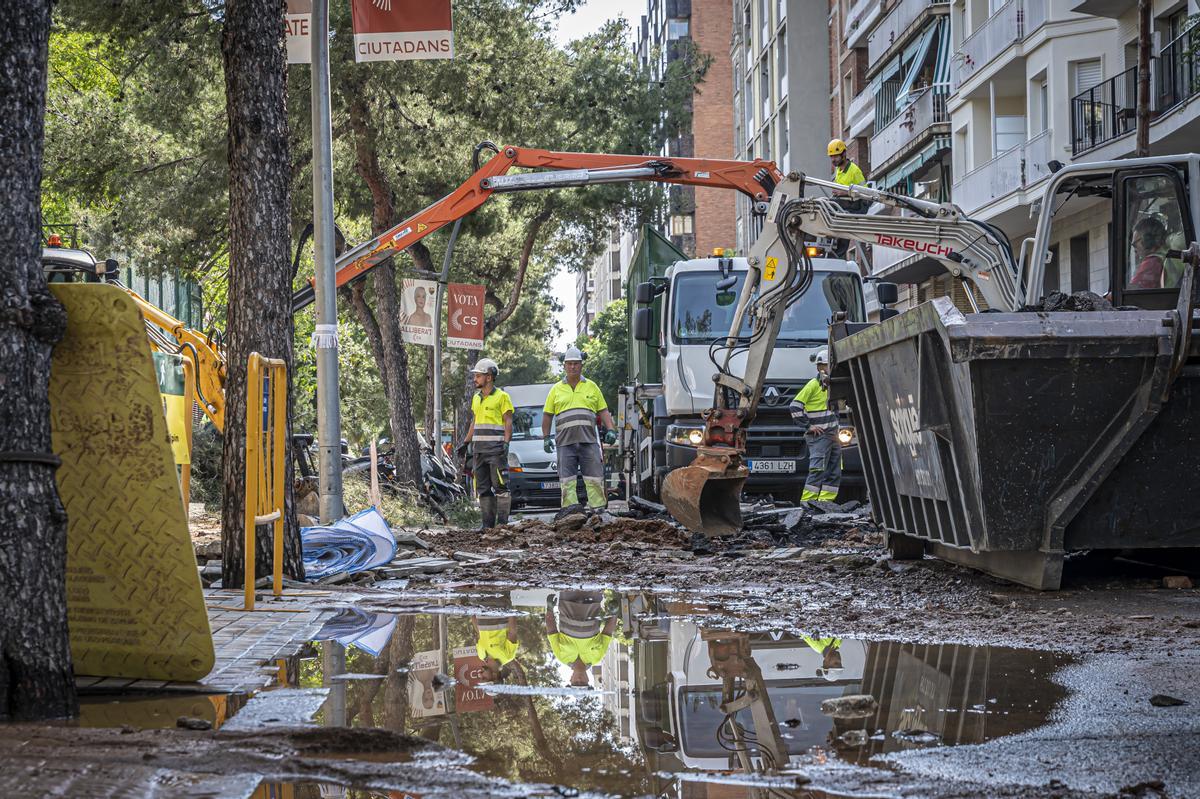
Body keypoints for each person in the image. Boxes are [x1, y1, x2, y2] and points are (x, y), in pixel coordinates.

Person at [541, 347, 617, 509]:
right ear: (564, 366)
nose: (573, 367)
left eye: (576, 363)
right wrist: (546, 438)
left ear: (581, 365)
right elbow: (547, 415)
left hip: (588, 441)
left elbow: (603, 410)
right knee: (567, 481)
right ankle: (570, 513)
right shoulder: (556, 390)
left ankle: (598, 512)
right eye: (569, 364)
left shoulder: (592, 387)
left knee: (594, 479)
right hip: (565, 443)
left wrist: (611, 429)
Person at [465, 357, 513, 529]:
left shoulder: (502, 397)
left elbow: (508, 421)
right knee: (483, 489)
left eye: (478, 376)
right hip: (479, 451)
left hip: (496, 450)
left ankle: (502, 525)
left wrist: (506, 443)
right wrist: (466, 442)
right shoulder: (476, 398)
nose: (475, 379)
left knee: (501, 487)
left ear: (489, 377)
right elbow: (475, 421)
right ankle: (487, 526)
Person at [789, 349, 841, 502]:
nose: (826, 368)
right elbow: (795, 406)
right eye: (824, 365)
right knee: (817, 469)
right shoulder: (813, 385)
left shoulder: (832, 386)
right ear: (819, 368)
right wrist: (808, 426)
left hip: (833, 435)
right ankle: (808, 504)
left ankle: (825, 504)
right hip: (819, 436)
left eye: (828, 365)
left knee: (834, 471)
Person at [545, 590, 617, 687]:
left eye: (576, 682)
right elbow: (607, 632)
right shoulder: (597, 658)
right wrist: (614, 613)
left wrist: (549, 609)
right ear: (588, 679)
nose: (579, 680)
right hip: (593, 601)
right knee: (595, 577)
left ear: (571, 679)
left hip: (568, 601)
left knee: (569, 577)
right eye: (583, 683)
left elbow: (551, 631)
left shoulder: (562, 657)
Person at [828, 139, 869, 258]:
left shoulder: (854, 171)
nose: (833, 160)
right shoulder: (839, 170)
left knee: (832, 205)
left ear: (844, 154)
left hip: (857, 205)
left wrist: (843, 193)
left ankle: (837, 252)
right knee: (826, 204)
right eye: (831, 157)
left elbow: (865, 193)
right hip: (845, 204)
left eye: (835, 156)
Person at [1129, 216, 1174, 289]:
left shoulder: (1152, 262)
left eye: (1135, 245)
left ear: (1148, 240)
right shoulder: (1168, 256)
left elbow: (1133, 292)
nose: (1135, 250)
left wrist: (1112, 296)